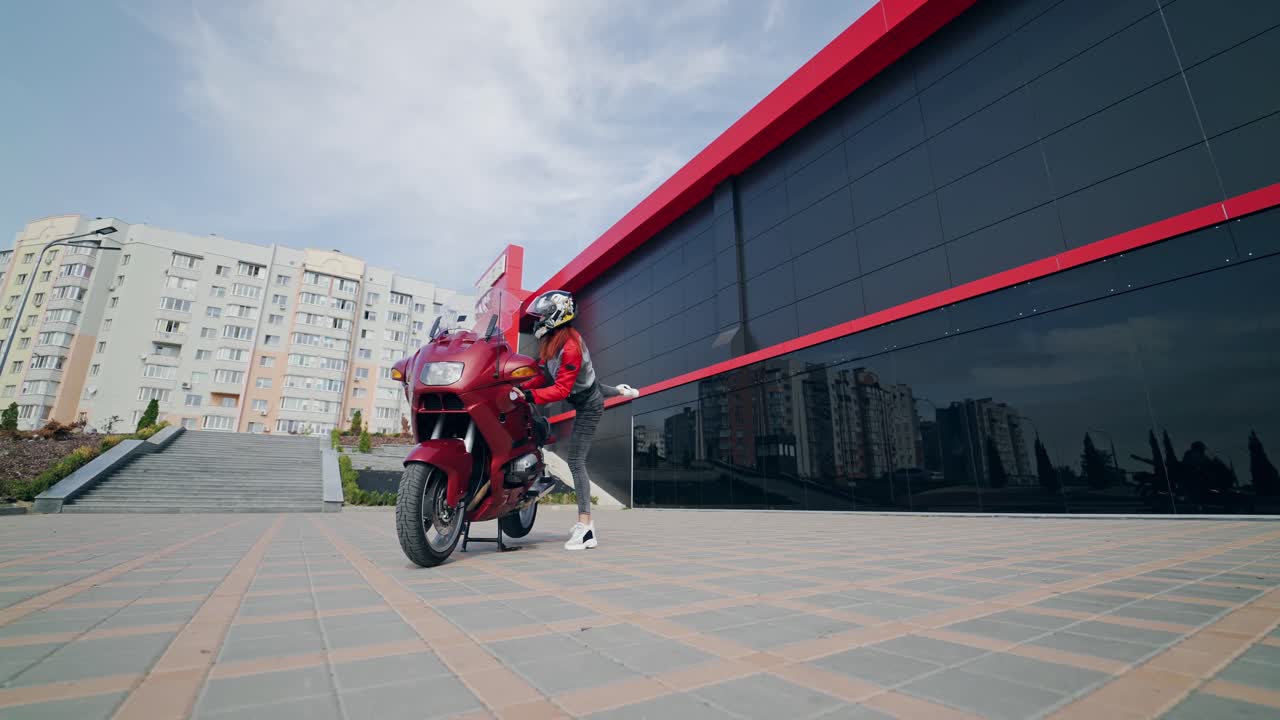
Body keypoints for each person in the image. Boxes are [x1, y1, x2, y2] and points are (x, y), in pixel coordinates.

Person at [513, 289, 637, 550]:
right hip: (587, 388)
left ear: (557, 316)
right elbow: (545, 375)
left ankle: (586, 528)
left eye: (542, 316)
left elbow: (561, 390)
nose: (538, 322)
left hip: (589, 404)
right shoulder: (552, 341)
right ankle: (623, 390)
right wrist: (518, 383)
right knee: (596, 386)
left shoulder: (570, 347)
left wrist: (528, 395)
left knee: (575, 461)